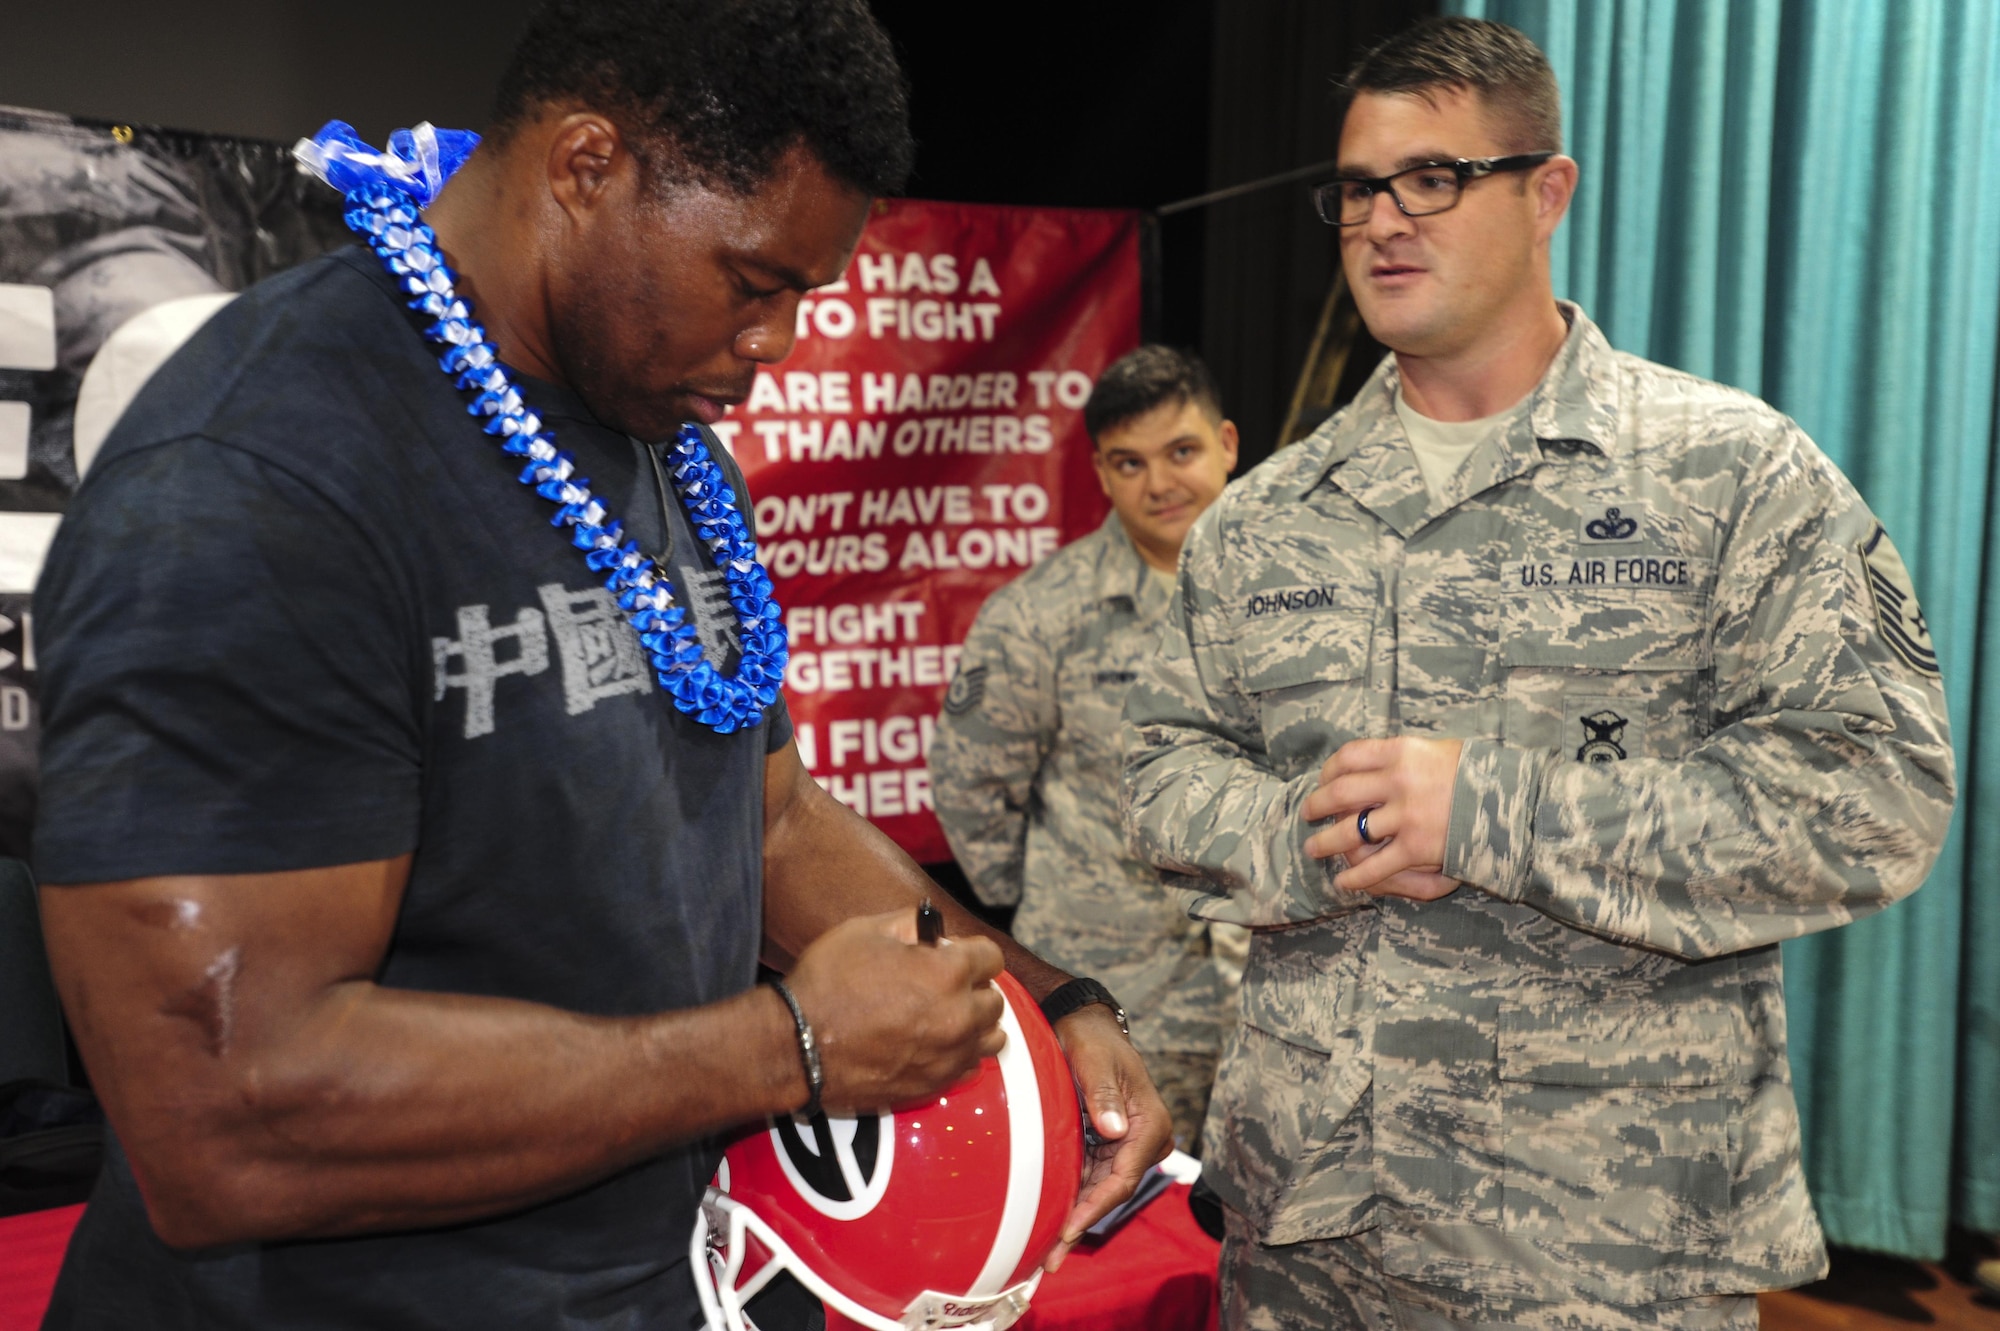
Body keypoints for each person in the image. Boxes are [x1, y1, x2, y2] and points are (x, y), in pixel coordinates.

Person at [28, 3, 1167, 1328]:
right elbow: (224, 1117)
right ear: (584, 166)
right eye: (753, 282)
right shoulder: (260, 476)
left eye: (807, 295)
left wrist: (1041, 1005)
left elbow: (767, 814)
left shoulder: (660, 442)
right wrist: (789, 1045)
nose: (779, 342)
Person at [1121, 16, 1954, 1331]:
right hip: (1309, 1238)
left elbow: (1875, 793)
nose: (1385, 220)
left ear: (1547, 189)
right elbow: (1162, 774)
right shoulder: (1264, 516)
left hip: (1601, 1248)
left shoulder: (1733, 474)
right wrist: (1310, 828)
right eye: (1356, 189)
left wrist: (1493, 813)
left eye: (1434, 178)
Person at [931, 345, 1245, 1155]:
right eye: (1129, 463)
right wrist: (1042, 899)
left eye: (1182, 451)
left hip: (1274, 1004)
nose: (1161, 483)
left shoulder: (1299, 601)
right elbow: (972, 786)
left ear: (1229, 445)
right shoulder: (1042, 616)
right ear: (1102, 473)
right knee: (1115, 1235)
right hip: (1117, 1001)